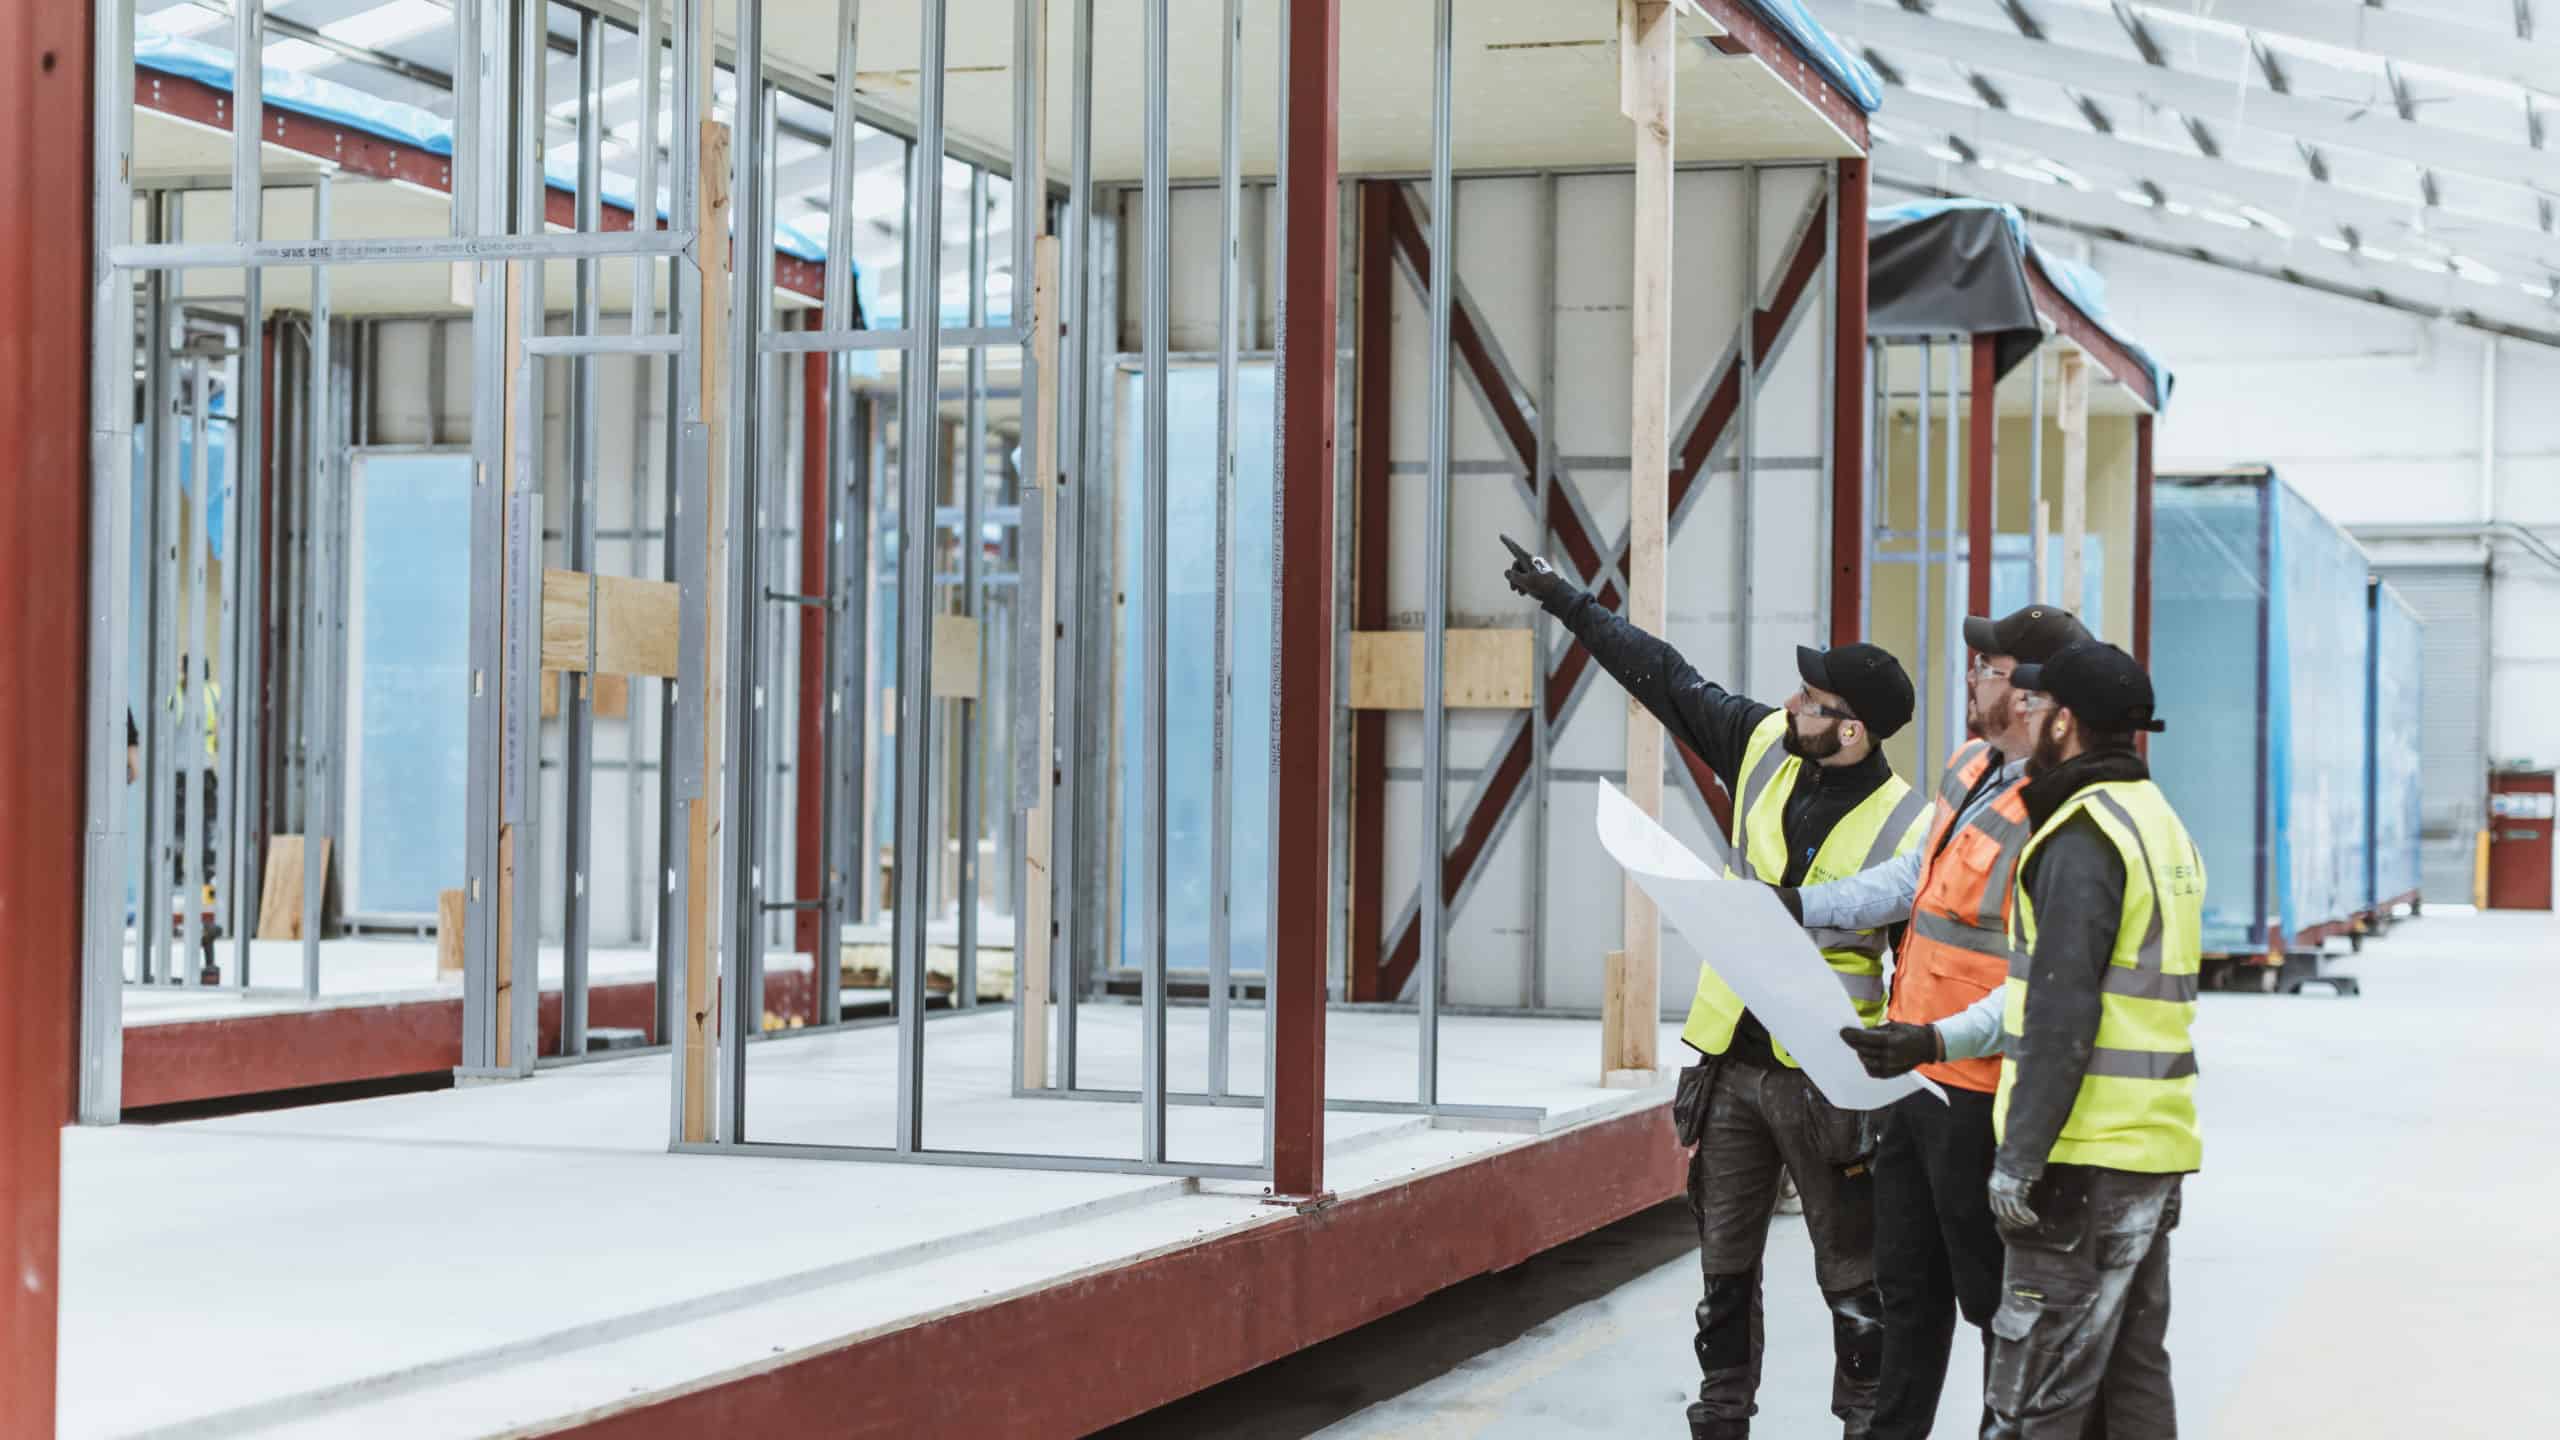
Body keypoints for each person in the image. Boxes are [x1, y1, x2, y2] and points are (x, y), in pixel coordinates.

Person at [1503, 536, 1930, 1440]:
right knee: (1722, 1273)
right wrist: (1565, 599)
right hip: (1731, 1067)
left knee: (1852, 1279)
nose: (1790, 703)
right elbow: (1662, 676)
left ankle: (1864, 1423)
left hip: (1829, 1078)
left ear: (1851, 729)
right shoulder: (1767, 745)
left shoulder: (1908, 823)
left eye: (1812, 699)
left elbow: (1923, 970)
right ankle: (1721, 1419)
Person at [1767, 605, 2088, 1440]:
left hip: (1979, 1089)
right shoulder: (1970, 765)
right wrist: (1800, 906)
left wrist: (1942, 1041)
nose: (1970, 675)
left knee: (1988, 1297)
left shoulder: (2054, 806)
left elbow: (2036, 977)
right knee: (1906, 1288)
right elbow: (1914, 877)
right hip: (1909, 1073)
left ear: (2026, 695)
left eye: (1985, 667)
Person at [1984, 640, 2201, 1438]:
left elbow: (2061, 1015)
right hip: (2150, 1149)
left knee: (2042, 1391)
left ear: (2066, 722)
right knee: (2132, 1375)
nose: (2027, 717)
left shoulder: (2081, 836)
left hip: (2081, 1159)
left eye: (2037, 707)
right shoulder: (2158, 822)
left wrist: (2020, 1157)